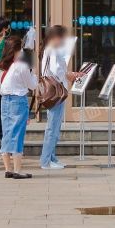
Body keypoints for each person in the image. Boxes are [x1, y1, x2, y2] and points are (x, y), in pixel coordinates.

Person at [0, 34, 36, 177]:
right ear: (18, 49)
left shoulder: (1, 65)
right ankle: (18, 170)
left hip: (4, 100)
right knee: (18, 134)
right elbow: (32, 85)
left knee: (7, 133)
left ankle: (8, 169)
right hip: (18, 100)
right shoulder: (22, 65)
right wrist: (33, 73)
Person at [35, 24, 74, 170]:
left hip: (55, 92)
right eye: (62, 38)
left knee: (54, 127)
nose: (63, 41)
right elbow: (55, 70)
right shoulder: (52, 49)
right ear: (56, 37)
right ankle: (46, 160)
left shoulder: (48, 49)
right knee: (53, 128)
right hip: (56, 93)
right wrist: (68, 74)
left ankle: (51, 158)